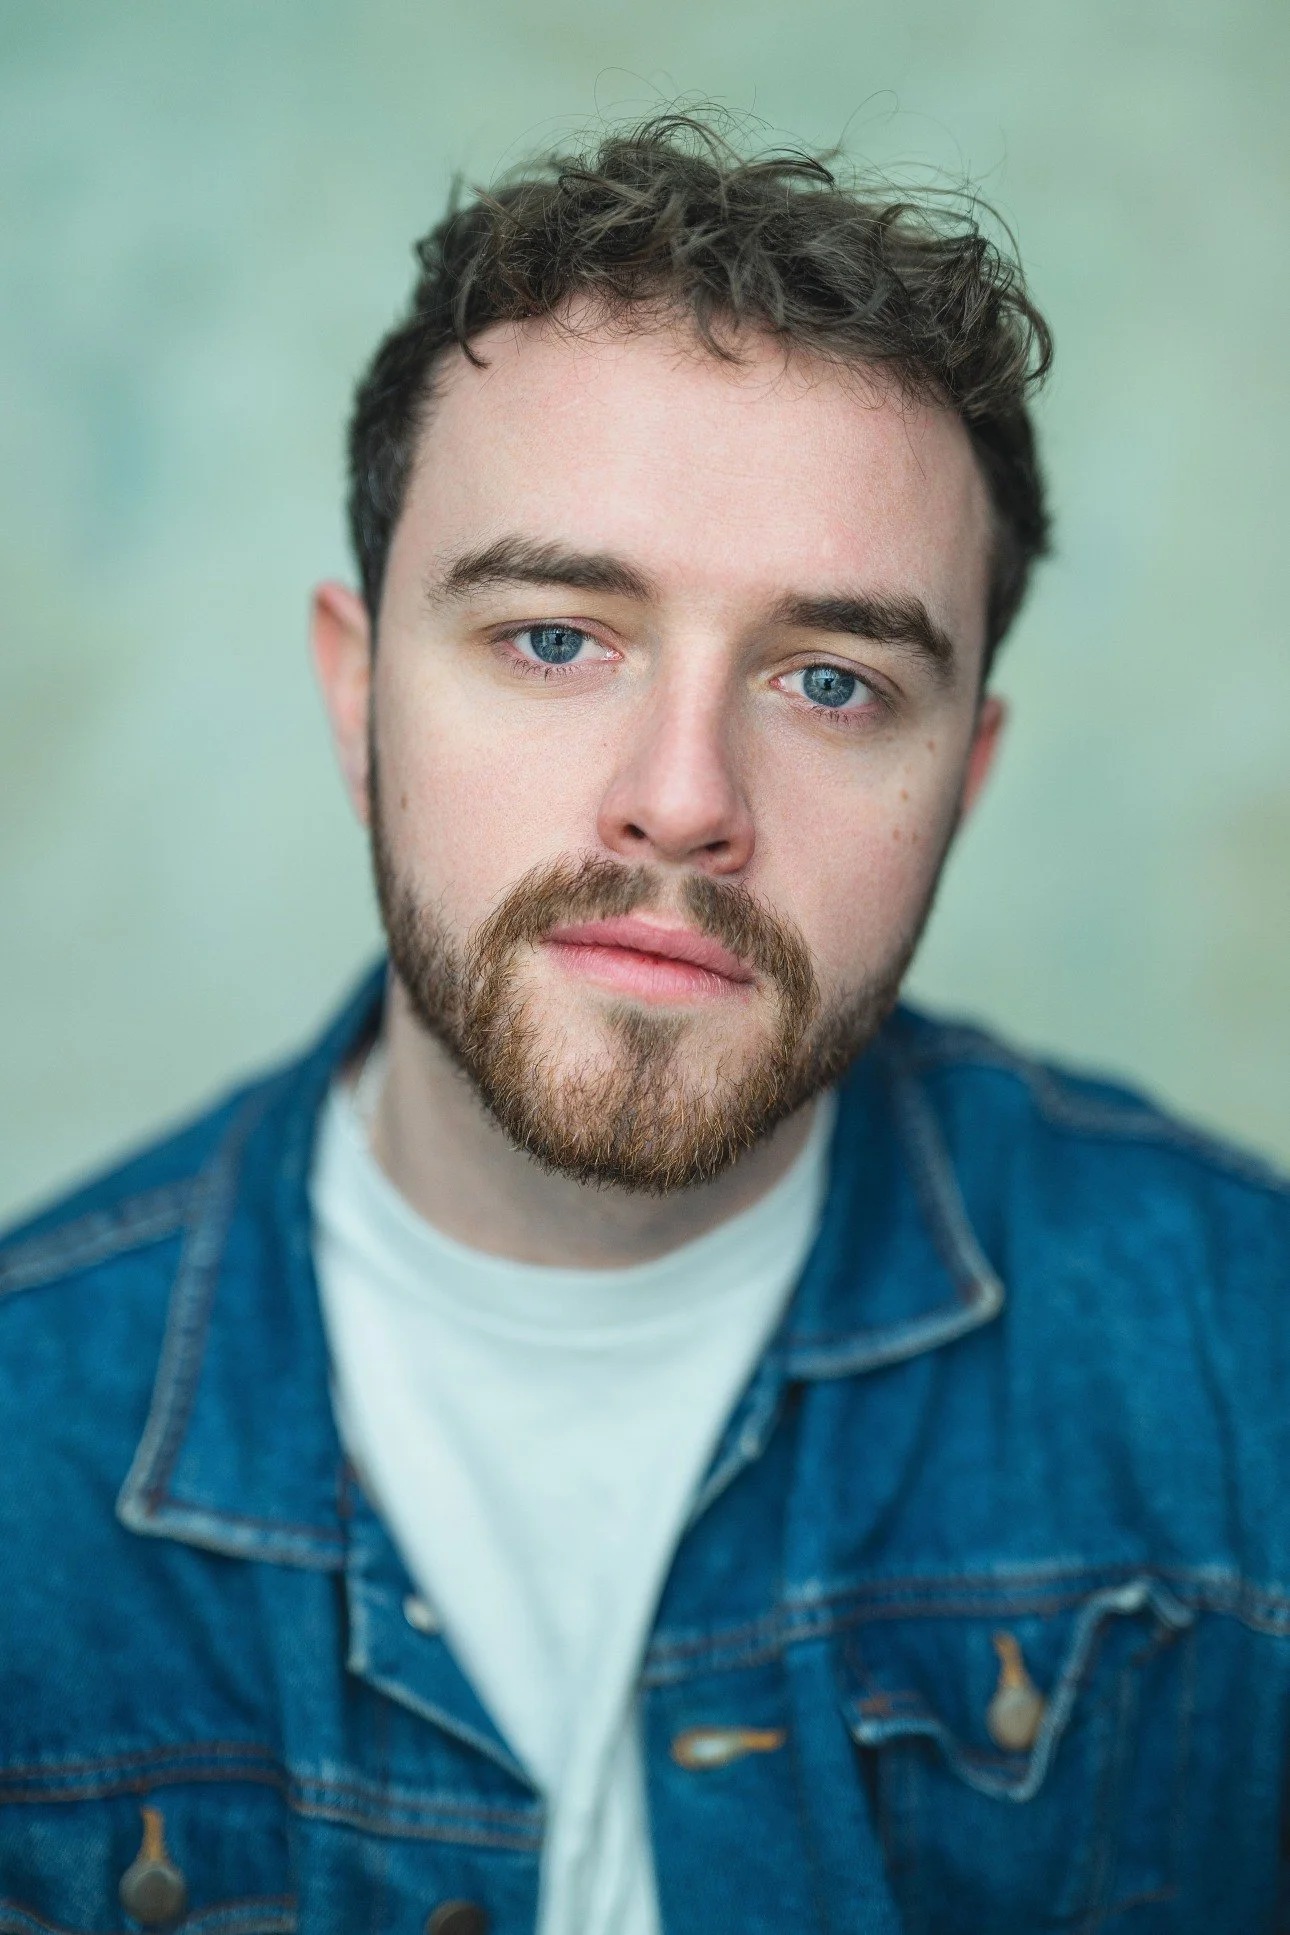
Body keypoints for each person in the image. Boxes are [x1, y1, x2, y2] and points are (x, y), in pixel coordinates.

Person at [1, 113, 1286, 1935]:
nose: (681, 800)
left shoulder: (1244, 1361)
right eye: (554, 638)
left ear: (963, 775)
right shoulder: (20, 1449)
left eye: (830, 680)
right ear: (357, 696)